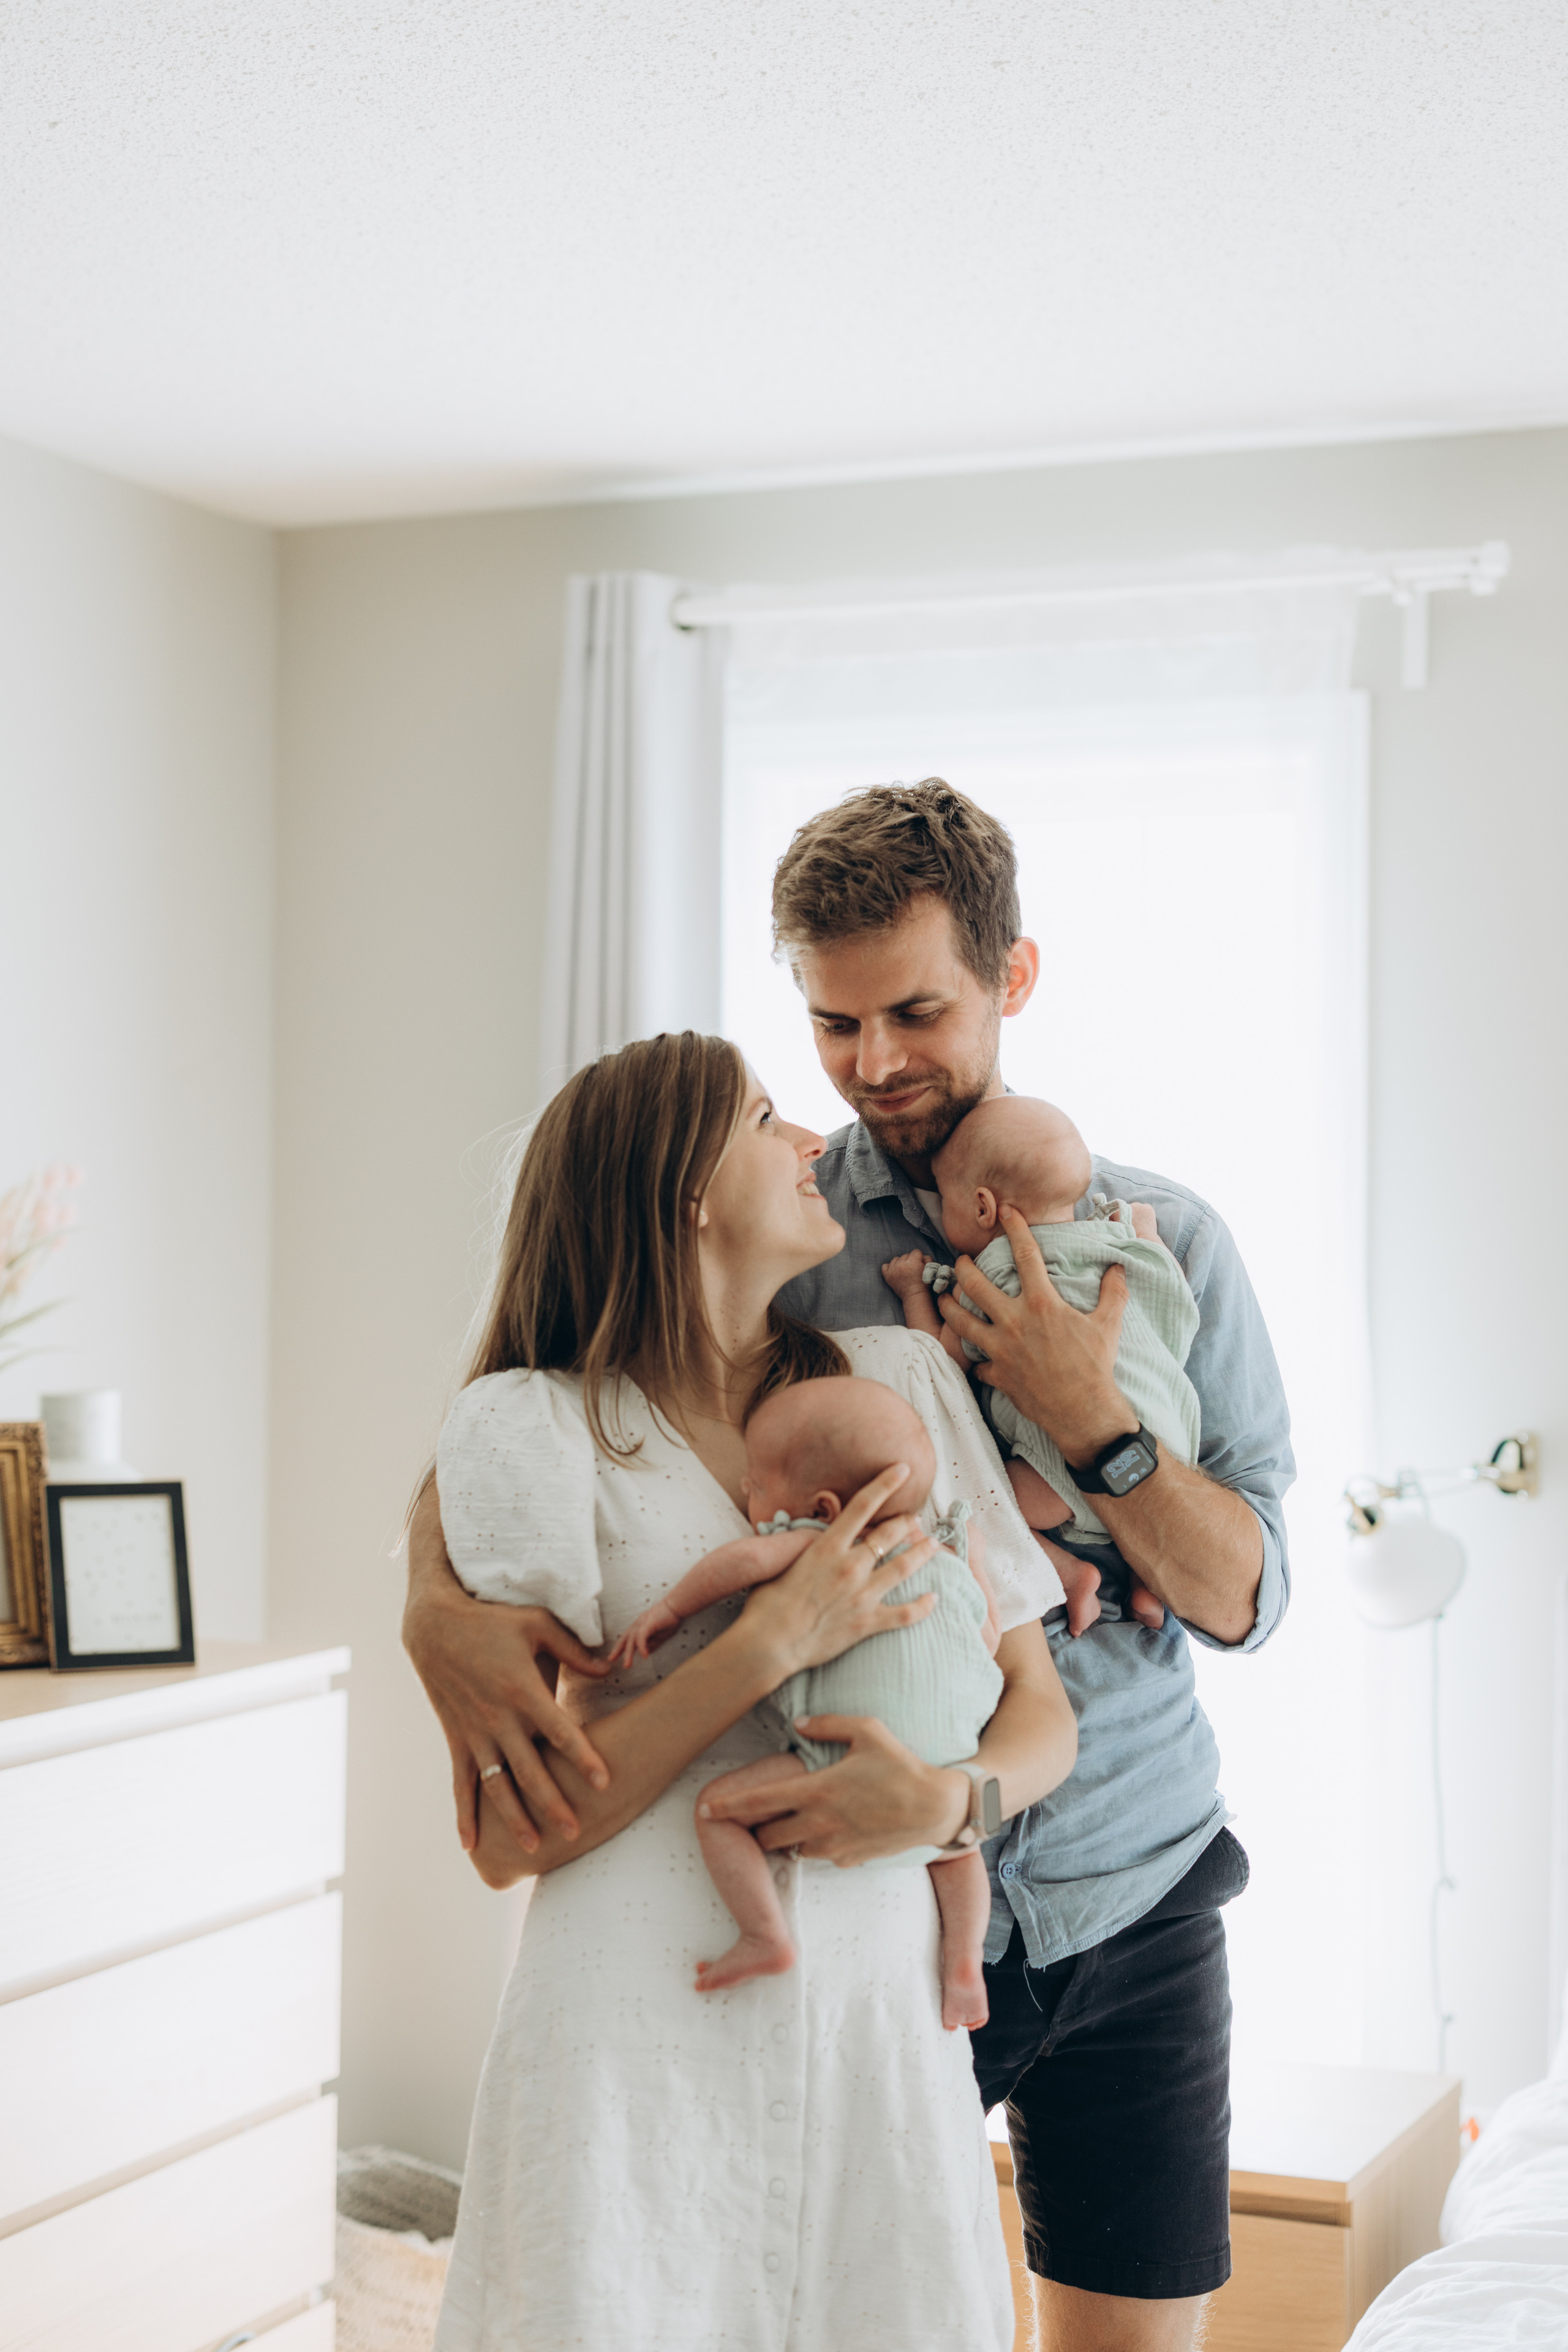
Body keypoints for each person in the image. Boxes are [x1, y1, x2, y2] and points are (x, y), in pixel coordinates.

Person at [405, 779, 1293, 2352]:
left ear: (1011, 978)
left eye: (914, 1010)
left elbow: (1240, 1594)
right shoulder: (799, 1243)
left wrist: (1097, 1427)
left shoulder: (1160, 1247)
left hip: (1115, 1879)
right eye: (830, 1025)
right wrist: (431, 1599)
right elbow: (561, 1383)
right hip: (850, 1911)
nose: (870, 1065)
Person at [420, 1030, 1076, 2352]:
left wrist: (954, 1805)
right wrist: (768, 1643)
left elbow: (1037, 1711)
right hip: (630, 2031)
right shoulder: (534, 1429)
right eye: (767, 1116)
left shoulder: (896, 1382)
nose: (809, 1140)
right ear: (683, 1191)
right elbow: (507, 1838)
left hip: (871, 2033)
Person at [606, 1373, 1044, 2027]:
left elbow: (739, 1565)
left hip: (837, 1762)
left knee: (718, 1813)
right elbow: (983, 1636)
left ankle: (765, 1935)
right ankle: (962, 1968)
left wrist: (671, 1609)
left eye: (755, 1483)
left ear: (823, 1505)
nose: (745, 1492)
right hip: (942, 1781)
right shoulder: (947, 1555)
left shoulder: (818, 1545)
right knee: (958, 1855)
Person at [881, 1091, 1199, 1636]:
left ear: (983, 1207)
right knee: (1138, 1523)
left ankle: (1069, 1573)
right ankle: (1151, 1585)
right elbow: (1169, 1295)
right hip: (1173, 1447)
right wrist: (1142, 1230)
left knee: (971, 1503)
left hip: (1064, 1478)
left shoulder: (1000, 1278)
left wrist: (914, 1291)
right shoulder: (1115, 1245)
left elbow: (941, 1364)